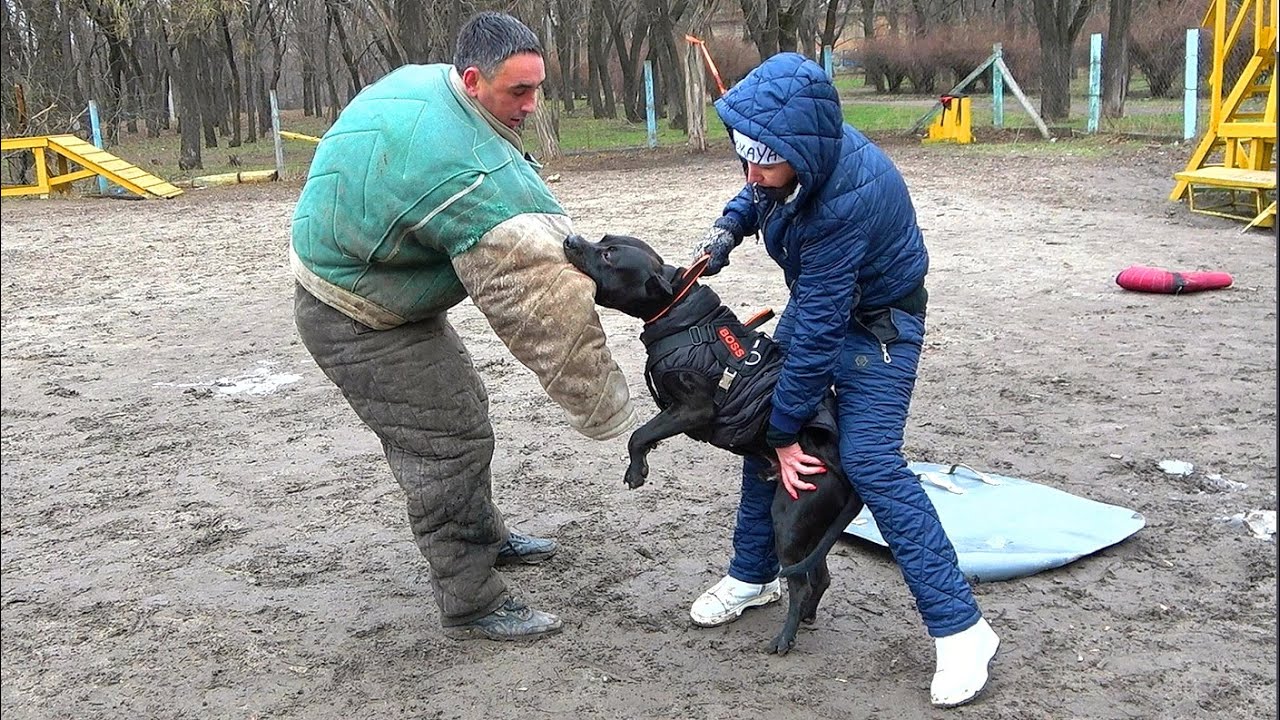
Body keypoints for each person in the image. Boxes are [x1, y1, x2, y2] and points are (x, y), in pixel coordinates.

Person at [289, 11, 634, 643]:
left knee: (464, 411)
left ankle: (487, 537)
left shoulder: (430, 86)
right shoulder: (459, 170)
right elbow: (535, 298)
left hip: (366, 282)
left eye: (538, 88)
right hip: (358, 313)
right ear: (473, 79)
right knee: (445, 442)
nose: (533, 105)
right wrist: (603, 406)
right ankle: (471, 601)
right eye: (519, 93)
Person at [688, 52, 1000, 707]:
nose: (752, 171)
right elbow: (757, 190)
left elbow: (822, 334)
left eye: (765, 158)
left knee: (868, 458)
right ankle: (754, 576)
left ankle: (964, 629)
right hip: (824, 303)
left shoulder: (845, 201)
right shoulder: (788, 160)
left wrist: (785, 430)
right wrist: (726, 230)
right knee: (758, 428)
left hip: (881, 324)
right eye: (744, 155)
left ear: (802, 150)